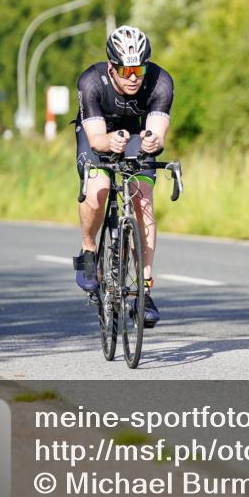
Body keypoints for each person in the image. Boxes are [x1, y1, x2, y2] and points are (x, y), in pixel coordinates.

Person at [72, 25, 172, 327]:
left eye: (139, 68)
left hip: (135, 137)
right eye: (126, 69)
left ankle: (144, 289)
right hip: (97, 135)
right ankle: (89, 249)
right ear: (112, 66)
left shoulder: (160, 82)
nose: (133, 76)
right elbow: (96, 139)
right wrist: (108, 142)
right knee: (99, 190)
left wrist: (154, 141)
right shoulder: (91, 81)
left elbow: (157, 131)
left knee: (143, 202)